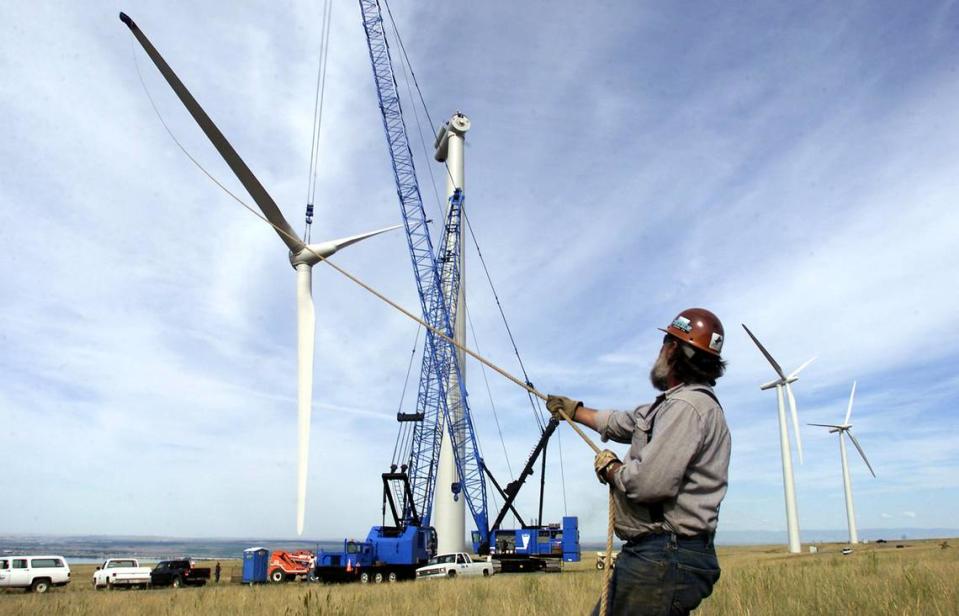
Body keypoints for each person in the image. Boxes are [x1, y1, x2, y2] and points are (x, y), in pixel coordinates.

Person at [547, 308, 731, 616]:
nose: (660, 351)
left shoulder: (687, 408)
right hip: (659, 554)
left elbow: (647, 484)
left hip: (663, 555)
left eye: (665, 343)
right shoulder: (673, 406)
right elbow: (623, 422)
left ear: (674, 350)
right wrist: (573, 409)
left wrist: (612, 470)